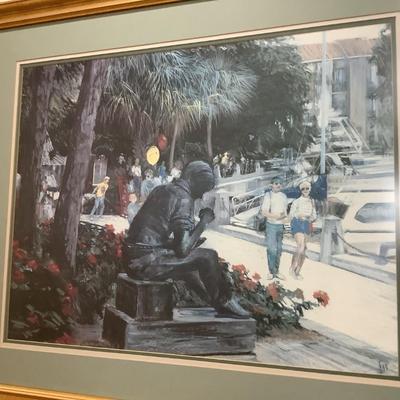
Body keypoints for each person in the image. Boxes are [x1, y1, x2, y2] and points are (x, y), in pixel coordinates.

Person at [124, 161, 250, 319]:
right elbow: (182, 250)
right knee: (208, 256)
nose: (201, 196)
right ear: (193, 181)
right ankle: (224, 302)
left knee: (190, 270)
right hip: (144, 264)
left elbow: (150, 236)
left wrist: (188, 242)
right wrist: (204, 221)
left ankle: (211, 300)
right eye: (202, 190)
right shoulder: (184, 199)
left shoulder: (161, 189)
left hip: (130, 257)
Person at [261, 176, 288, 280]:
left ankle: (277, 271)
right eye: (276, 183)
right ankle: (271, 271)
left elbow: (285, 212)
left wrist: (284, 217)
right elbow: (264, 212)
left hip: (280, 226)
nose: (278, 185)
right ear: (271, 185)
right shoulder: (268, 195)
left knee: (279, 249)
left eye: (280, 183)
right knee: (272, 249)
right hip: (271, 225)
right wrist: (276, 216)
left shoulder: (284, 196)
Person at [289, 180, 316, 280]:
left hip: (307, 224)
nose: (305, 190)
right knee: (300, 245)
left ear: (310, 189)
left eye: (307, 188)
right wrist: (299, 215)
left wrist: (311, 218)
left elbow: (314, 215)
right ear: (301, 190)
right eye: (303, 189)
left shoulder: (312, 202)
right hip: (297, 223)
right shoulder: (296, 202)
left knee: (304, 249)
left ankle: (298, 271)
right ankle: (292, 268)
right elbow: (291, 215)